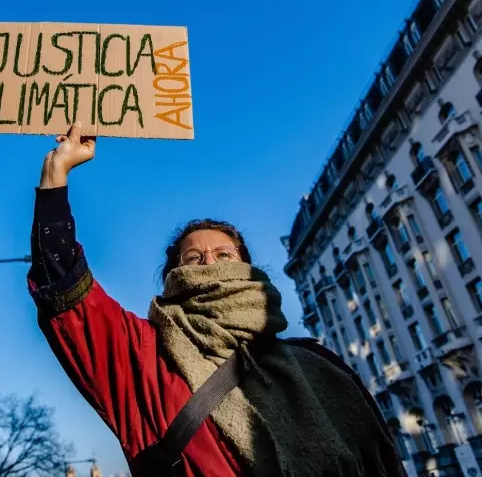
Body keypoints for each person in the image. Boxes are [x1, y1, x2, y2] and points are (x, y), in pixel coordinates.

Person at [27, 122, 405, 476]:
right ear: (173, 278)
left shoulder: (318, 365)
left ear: (249, 268)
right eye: (194, 258)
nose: (210, 263)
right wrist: (55, 175)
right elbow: (67, 292)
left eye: (224, 255)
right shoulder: (145, 358)